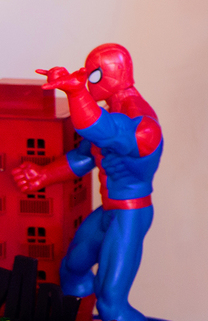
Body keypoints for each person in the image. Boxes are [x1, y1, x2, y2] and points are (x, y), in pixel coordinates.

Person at [12, 43, 163, 321]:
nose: (88, 81)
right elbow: (85, 156)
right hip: (109, 211)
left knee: (111, 307)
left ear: (113, 75)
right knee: (71, 270)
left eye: (94, 75)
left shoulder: (143, 123)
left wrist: (77, 92)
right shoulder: (111, 110)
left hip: (131, 214)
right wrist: (43, 175)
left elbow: (103, 131)